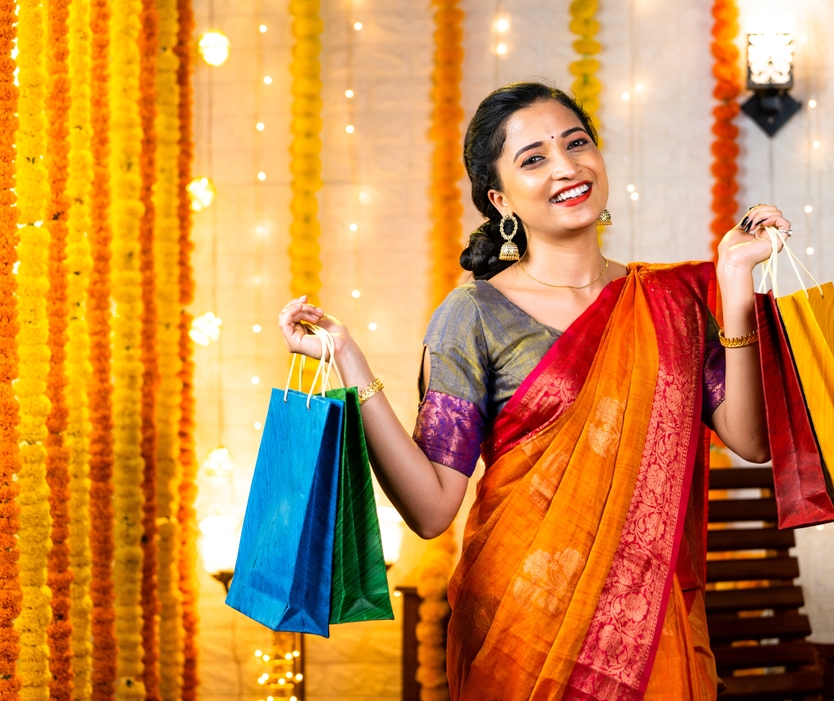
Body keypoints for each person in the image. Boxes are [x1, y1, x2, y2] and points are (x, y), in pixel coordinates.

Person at [278, 82, 791, 701]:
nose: (567, 166)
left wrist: (736, 283)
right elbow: (433, 508)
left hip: (654, 621)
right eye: (534, 158)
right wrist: (349, 361)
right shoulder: (473, 315)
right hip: (523, 628)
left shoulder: (669, 302)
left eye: (577, 144)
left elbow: (751, 439)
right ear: (500, 200)